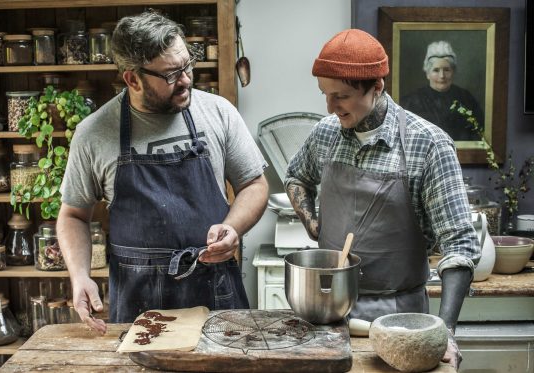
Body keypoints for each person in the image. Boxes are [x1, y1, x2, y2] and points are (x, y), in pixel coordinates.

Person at [57, 10, 268, 334]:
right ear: (133, 78)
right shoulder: (94, 133)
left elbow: (254, 184)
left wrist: (232, 227)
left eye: (187, 65)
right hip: (138, 303)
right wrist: (80, 275)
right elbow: (73, 215)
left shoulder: (218, 112)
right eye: (171, 74)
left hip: (214, 290)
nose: (185, 79)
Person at [285, 29, 480, 370]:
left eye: (341, 97)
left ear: (376, 87)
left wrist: (446, 331)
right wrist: (313, 222)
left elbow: (460, 245)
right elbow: (296, 176)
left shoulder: (428, 145)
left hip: (400, 322)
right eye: (325, 95)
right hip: (327, 317)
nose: (330, 108)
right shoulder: (326, 133)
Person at [401, 40, 484, 141]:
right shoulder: (412, 101)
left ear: (453, 72)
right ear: (427, 73)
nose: (442, 76)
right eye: (436, 70)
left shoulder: (466, 98)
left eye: (446, 70)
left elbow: (478, 133)